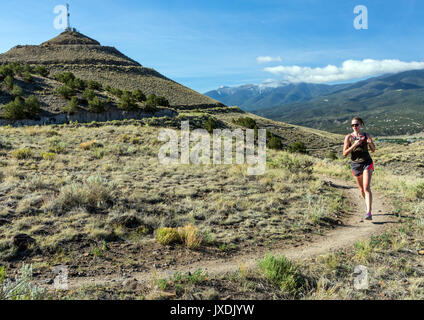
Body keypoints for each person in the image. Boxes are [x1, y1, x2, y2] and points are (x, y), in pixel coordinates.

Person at [343, 117, 376, 220]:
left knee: (366, 188)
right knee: (361, 189)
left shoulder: (366, 135)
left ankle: (369, 212)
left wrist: (370, 143)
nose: (354, 127)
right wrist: (354, 145)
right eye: (352, 125)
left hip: (367, 162)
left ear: (361, 125)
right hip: (355, 165)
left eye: (356, 125)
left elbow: (373, 150)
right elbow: (344, 153)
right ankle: (367, 204)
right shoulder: (349, 137)